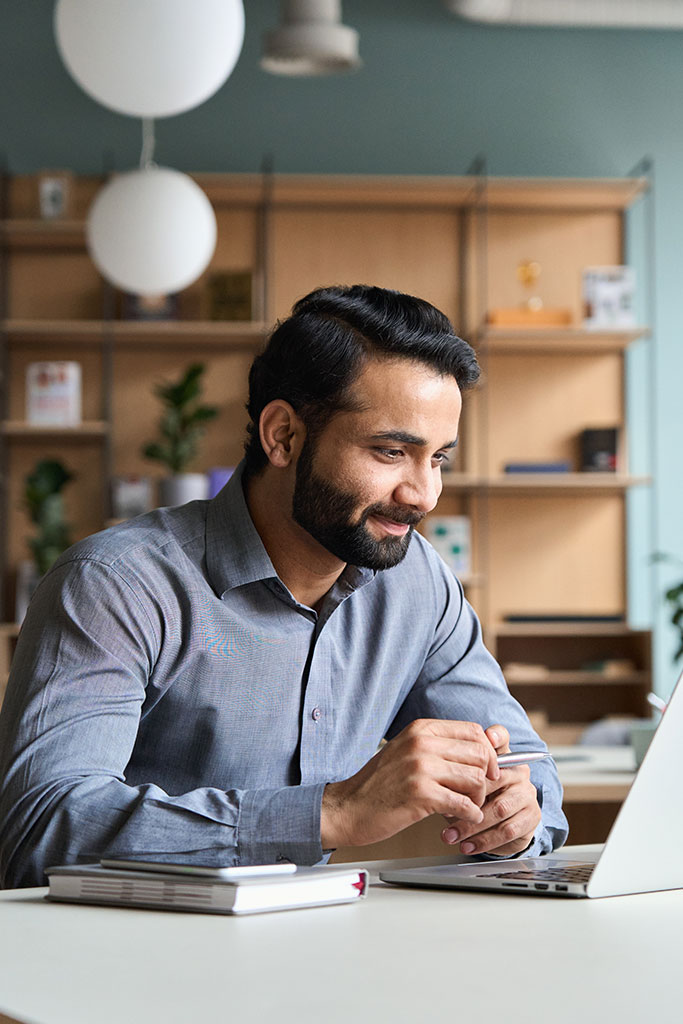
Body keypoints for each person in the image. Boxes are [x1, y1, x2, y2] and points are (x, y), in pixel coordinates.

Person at [0, 284, 567, 888]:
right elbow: (40, 831)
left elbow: (531, 773)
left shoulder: (417, 582)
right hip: (126, 959)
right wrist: (333, 813)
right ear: (283, 436)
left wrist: (516, 817)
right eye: (391, 451)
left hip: (312, 953)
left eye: (438, 460)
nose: (422, 495)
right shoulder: (117, 585)